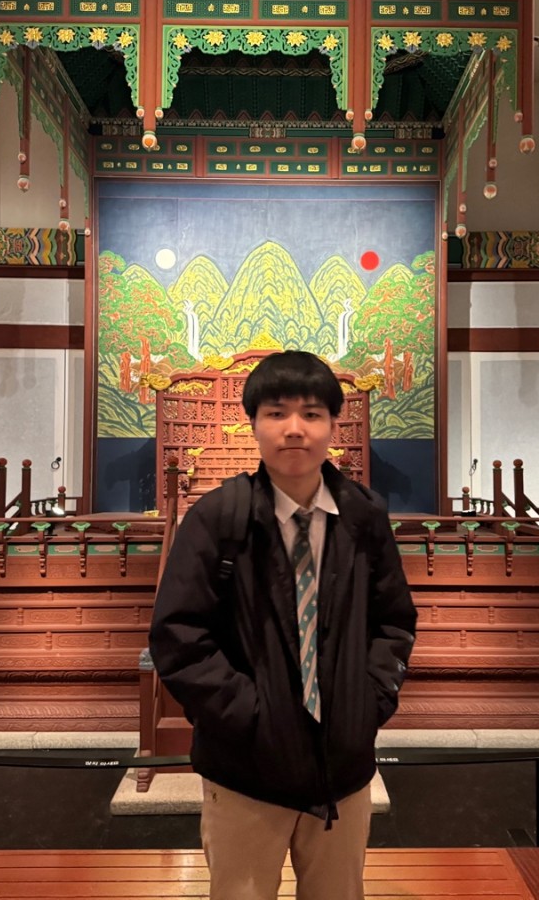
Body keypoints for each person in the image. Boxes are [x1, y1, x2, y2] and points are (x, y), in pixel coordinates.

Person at [149, 350, 417, 900]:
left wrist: (367, 704)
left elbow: (393, 621)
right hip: (245, 772)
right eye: (276, 413)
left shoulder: (364, 518)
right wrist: (251, 716)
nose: (295, 428)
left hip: (342, 771)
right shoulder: (217, 519)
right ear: (253, 423)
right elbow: (179, 637)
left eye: (312, 413)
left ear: (334, 425)